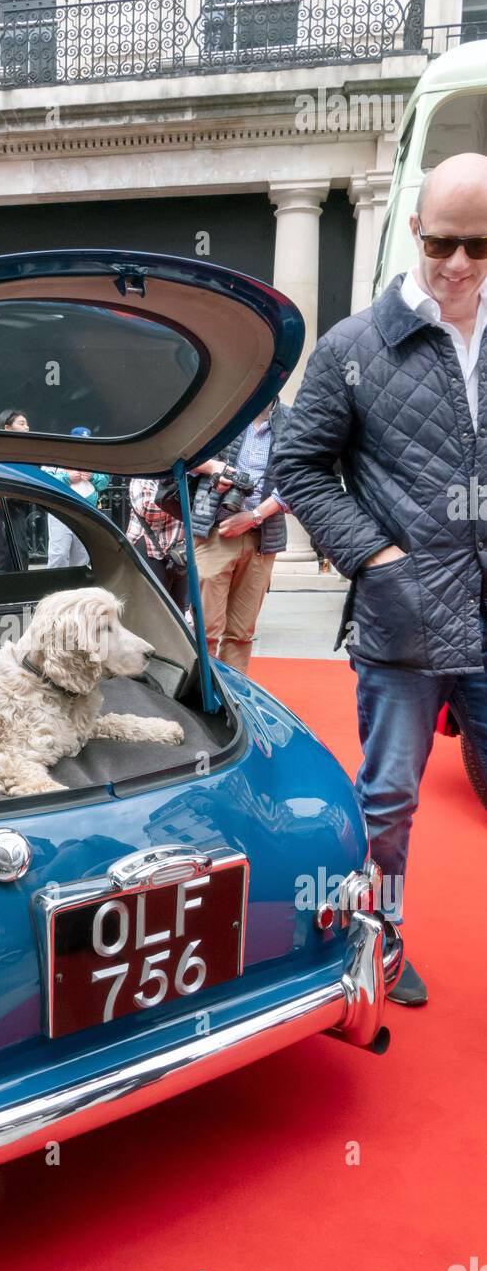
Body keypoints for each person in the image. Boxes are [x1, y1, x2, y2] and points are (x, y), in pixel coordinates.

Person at [274, 151, 487, 1006]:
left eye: (480, 244)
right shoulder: (354, 346)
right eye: (443, 242)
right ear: (414, 232)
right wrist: (377, 557)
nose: (460, 263)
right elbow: (299, 462)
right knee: (390, 800)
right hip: (404, 620)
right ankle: (380, 936)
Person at [189, 397, 291, 669]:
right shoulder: (222, 413)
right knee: (205, 628)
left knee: (242, 633)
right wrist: (215, 470)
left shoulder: (292, 422)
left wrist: (254, 516)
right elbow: (184, 457)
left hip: (263, 536)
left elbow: (300, 480)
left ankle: (234, 701)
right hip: (216, 530)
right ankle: (201, 698)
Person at [45, 428, 110, 569]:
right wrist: (67, 478)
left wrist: (93, 476)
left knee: (82, 556)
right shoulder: (56, 457)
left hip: (85, 510)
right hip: (60, 509)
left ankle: (77, 588)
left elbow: (104, 482)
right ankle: (54, 586)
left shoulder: (96, 460)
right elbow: (46, 480)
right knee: (59, 553)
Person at [126, 479, 189, 611]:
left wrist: (175, 501)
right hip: (149, 547)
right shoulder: (142, 478)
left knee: (178, 610)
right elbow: (150, 511)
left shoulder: (184, 476)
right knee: (153, 608)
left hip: (180, 553)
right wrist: (186, 501)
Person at [0, 410, 34, 571]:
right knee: (3, 556)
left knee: (20, 555)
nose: (27, 428)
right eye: (21, 424)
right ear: (7, 428)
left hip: (17, 510)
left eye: (27, 424)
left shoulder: (24, 453)